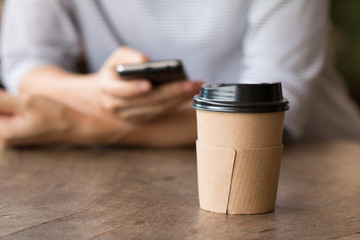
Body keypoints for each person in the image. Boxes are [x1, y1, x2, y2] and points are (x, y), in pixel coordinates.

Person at [0, 0, 359, 147]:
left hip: (311, 159)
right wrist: (94, 93)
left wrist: (82, 125)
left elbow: (276, 101)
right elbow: (26, 58)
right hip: (128, 172)